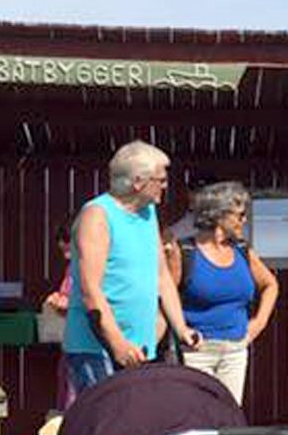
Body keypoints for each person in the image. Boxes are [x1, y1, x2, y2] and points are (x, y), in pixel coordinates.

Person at [63, 142, 199, 397]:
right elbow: (90, 289)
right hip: (97, 348)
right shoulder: (97, 215)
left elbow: (162, 277)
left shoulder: (148, 213)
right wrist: (117, 343)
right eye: (160, 179)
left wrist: (182, 329)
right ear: (138, 182)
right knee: (107, 428)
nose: (166, 185)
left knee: (135, 428)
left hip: (139, 348)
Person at [167, 182, 279, 404]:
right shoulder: (184, 252)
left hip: (236, 350)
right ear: (219, 215)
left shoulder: (242, 251)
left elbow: (270, 285)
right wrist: (180, 332)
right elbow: (165, 295)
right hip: (196, 352)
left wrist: (258, 323)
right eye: (240, 215)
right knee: (198, 418)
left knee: (228, 417)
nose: (244, 220)